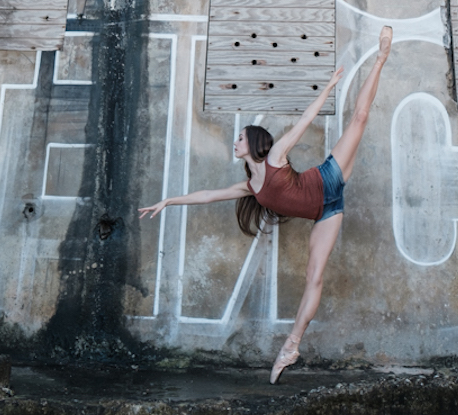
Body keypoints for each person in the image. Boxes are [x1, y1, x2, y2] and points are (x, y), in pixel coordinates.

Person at [139, 25, 393, 383]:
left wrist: (328, 88)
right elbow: (207, 195)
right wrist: (169, 201)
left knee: (360, 119)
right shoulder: (250, 188)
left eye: (240, 138)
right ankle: (291, 347)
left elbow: (304, 121)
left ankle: (381, 58)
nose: (235, 142)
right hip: (327, 211)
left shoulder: (275, 157)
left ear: (254, 143)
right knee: (314, 277)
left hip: (328, 179)